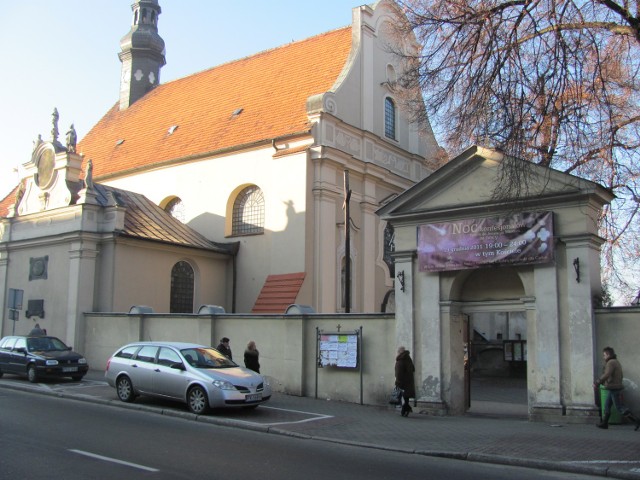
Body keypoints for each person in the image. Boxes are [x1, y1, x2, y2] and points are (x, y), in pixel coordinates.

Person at [593, 346, 640, 430]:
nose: (603, 357)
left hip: (614, 387)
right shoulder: (615, 361)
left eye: (604, 355)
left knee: (619, 407)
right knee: (607, 405)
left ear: (608, 354)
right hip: (613, 387)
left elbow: (607, 374)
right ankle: (604, 423)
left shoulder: (611, 362)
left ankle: (637, 421)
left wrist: (597, 382)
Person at [395, 346, 416, 417]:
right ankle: (406, 409)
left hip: (402, 381)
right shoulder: (408, 359)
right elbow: (413, 369)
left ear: (400, 352)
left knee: (403, 395)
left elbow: (398, 373)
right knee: (406, 396)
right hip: (409, 381)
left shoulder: (400, 361)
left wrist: (398, 381)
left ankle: (405, 409)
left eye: (398, 352)